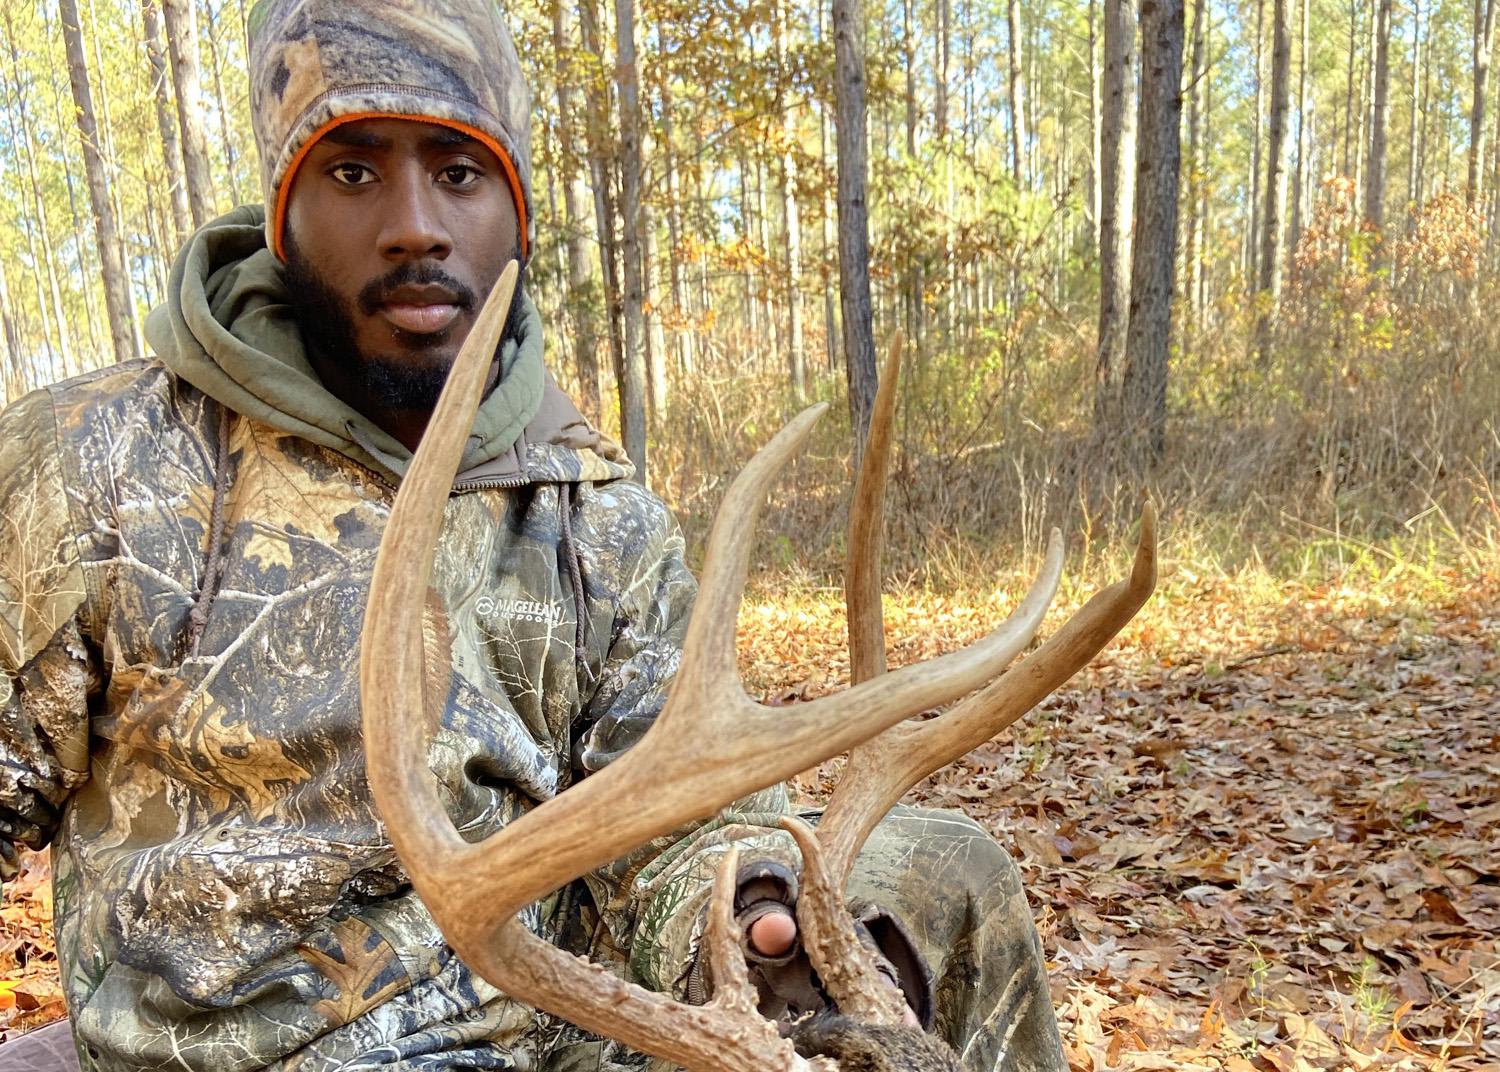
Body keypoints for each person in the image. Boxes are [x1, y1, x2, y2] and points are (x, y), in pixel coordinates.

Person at [0, 2, 1066, 1070]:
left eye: (460, 172)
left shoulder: (595, 516)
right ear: (284, 212)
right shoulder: (97, 462)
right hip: (223, 1052)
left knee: (946, 874)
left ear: (515, 211)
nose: (415, 223)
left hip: (539, 1033)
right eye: (354, 171)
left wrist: (754, 924)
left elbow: (675, 830)